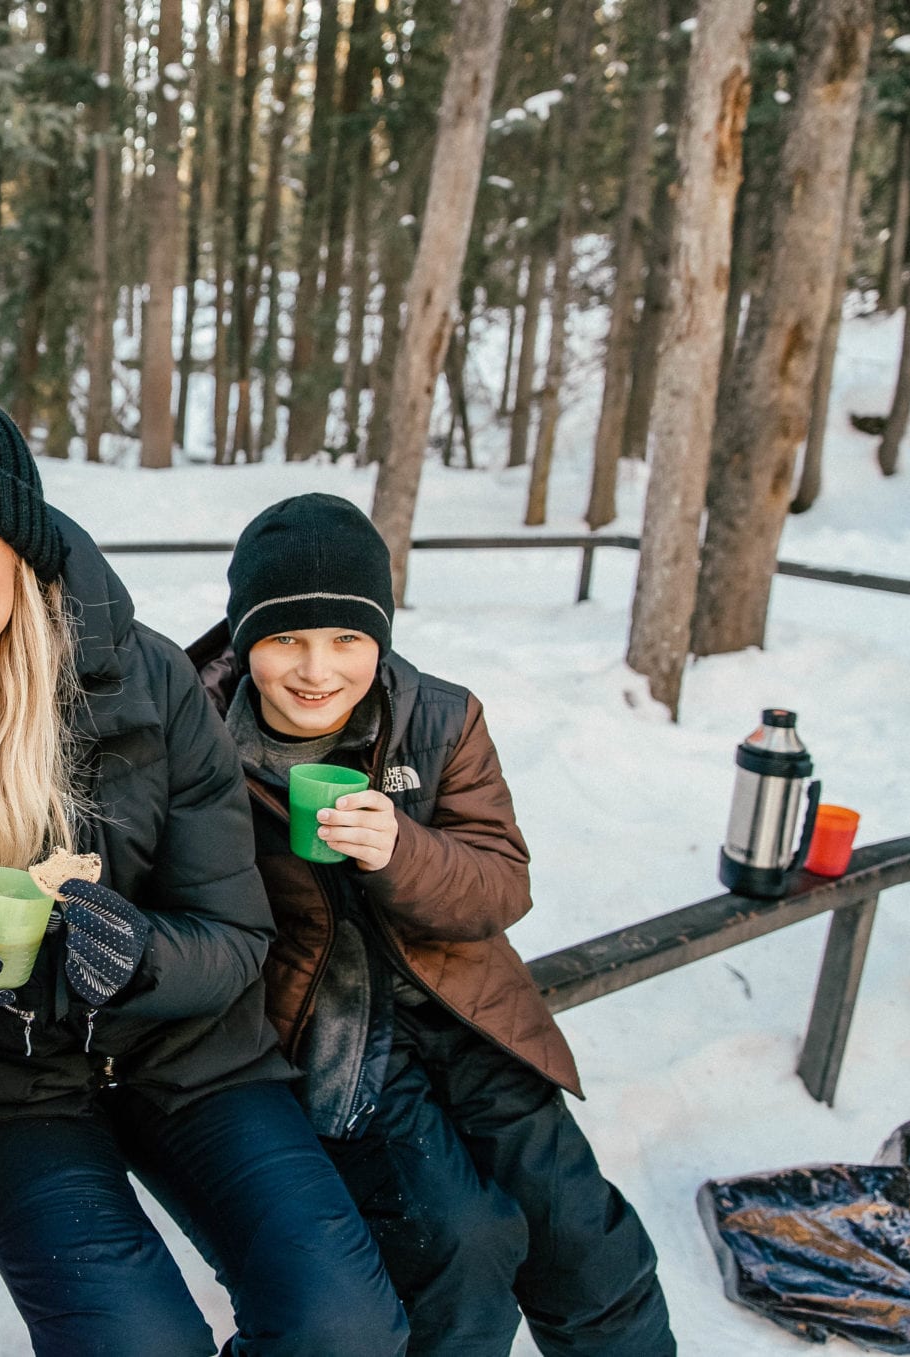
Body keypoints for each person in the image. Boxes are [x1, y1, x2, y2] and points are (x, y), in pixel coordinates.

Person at [0, 318, 407, 1356]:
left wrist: (139, 956)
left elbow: (235, 933)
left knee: (344, 1323)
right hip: (0, 1093)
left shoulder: (144, 678)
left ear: (19, 545)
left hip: (191, 1054)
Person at [190, 493, 676, 1357]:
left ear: (379, 638)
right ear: (244, 637)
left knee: (585, 1242)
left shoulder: (440, 717)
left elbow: (501, 884)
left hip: (468, 1012)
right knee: (458, 1243)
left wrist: (400, 851)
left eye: (347, 638)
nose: (316, 669)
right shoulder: (198, 743)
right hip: (335, 1035)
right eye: (285, 638)